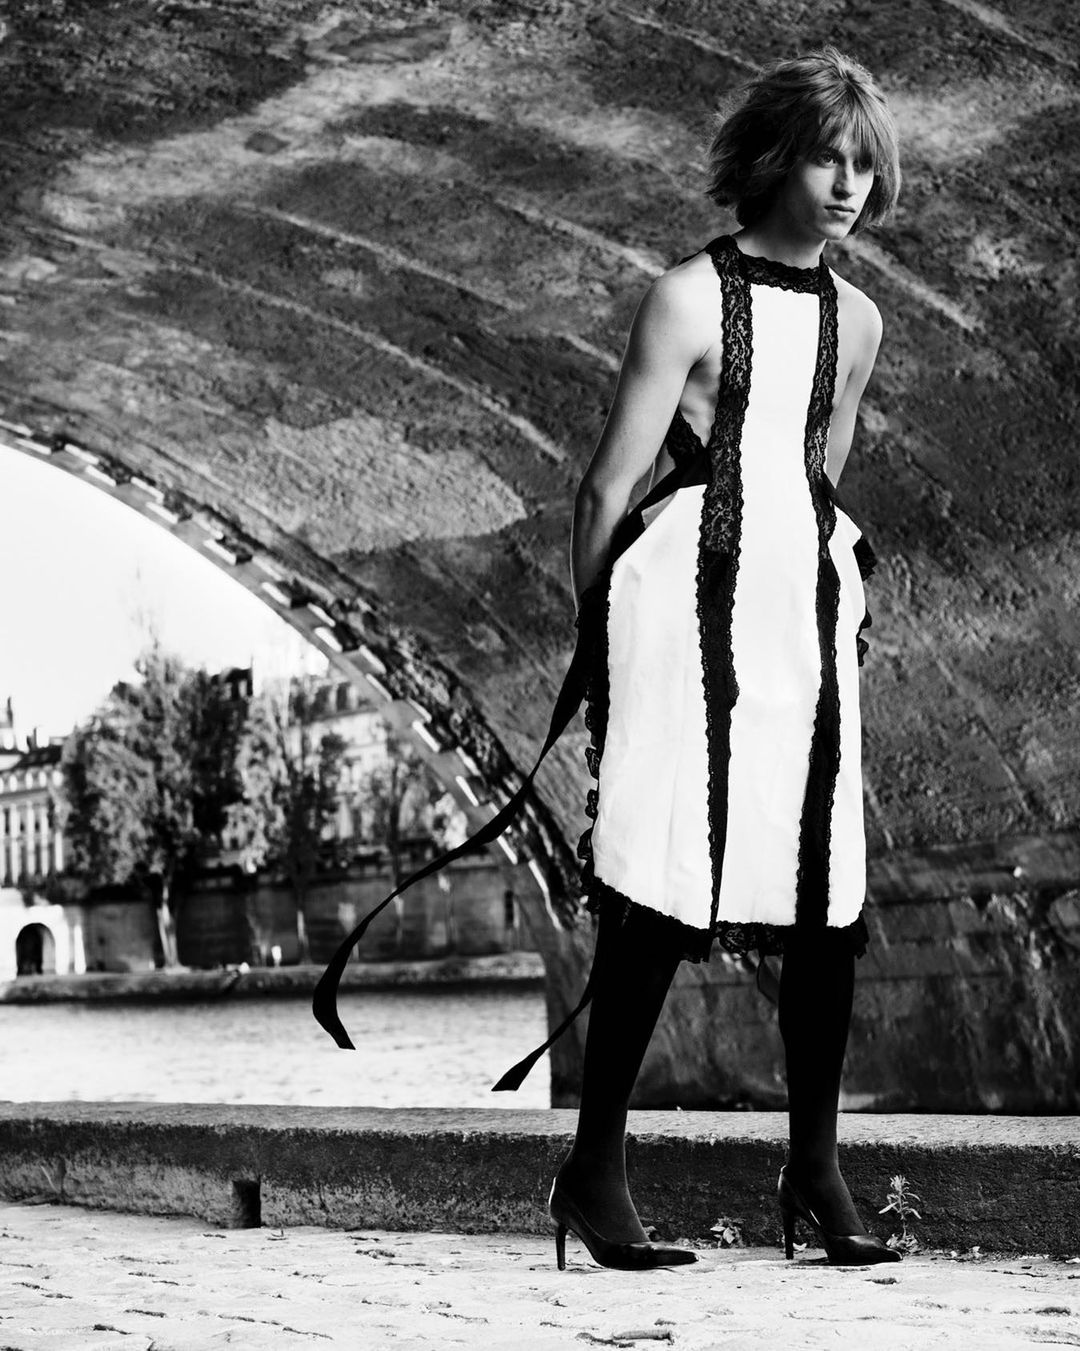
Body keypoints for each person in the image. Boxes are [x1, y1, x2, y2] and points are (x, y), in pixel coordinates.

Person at [547, 47, 902, 1271]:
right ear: (770, 159)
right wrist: (602, 642)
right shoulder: (687, 299)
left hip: (797, 612)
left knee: (823, 890)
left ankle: (816, 1170)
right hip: (682, 609)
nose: (847, 185)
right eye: (825, 158)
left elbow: (818, 478)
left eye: (863, 164)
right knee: (658, 874)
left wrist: (809, 587)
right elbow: (607, 488)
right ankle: (594, 1171)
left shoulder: (859, 323)